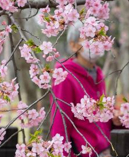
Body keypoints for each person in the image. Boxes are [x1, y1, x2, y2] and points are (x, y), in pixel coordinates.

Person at [50, 21, 120, 157]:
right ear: (73, 45)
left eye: (97, 37)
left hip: (104, 151)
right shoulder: (64, 77)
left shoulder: (98, 73)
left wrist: (116, 119)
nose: (95, 43)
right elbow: (60, 123)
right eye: (88, 37)